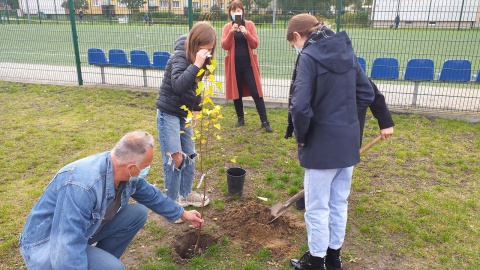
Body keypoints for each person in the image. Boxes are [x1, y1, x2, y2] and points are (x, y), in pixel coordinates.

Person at [19, 131, 204, 270]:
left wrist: (182, 213)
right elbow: (66, 245)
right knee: (114, 268)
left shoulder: (123, 171)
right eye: (145, 167)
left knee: (137, 213)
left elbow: (151, 195)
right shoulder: (82, 187)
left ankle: (100, 263)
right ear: (131, 167)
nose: (146, 171)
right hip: (48, 244)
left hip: (79, 232)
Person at [284, 14, 374, 270]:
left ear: (299, 37)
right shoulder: (346, 50)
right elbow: (366, 93)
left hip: (320, 145)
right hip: (347, 143)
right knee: (338, 202)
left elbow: (299, 107)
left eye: (293, 43)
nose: (295, 48)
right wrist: (343, 119)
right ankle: (334, 258)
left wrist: (303, 137)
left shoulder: (308, 58)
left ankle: (316, 261)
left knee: (316, 206)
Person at [294, 77, 395, 210]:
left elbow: (372, 94)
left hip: (348, 136)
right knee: (320, 167)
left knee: (339, 173)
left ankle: (326, 200)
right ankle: (311, 196)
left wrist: (386, 122)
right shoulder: (318, 70)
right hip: (324, 135)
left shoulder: (353, 70)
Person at [156, 21, 215, 213]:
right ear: (195, 44)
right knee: (176, 159)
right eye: (204, 49)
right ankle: (171, 204)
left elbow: (194, 88)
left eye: (209, 50)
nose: (206, 54)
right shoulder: (180, 56)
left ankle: (186, 193)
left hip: (184, 114)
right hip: (168, 113)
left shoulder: (200, 59)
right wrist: (197, 63)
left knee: (189, 155)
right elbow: (179, 85)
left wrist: (196, 109)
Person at [221, 0, 273, 132]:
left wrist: (246, 33)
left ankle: (265, 121)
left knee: (256, 92)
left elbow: (255, 44)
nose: (236, 13)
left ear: (242, 12)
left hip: (248, 65)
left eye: (238, 10)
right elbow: (224, 46)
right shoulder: (227, 27)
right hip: (234, 66)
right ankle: (240, 119)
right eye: (233, 11)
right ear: (230, 13)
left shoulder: (249, 25)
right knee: (236, 92)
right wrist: (232, 32)